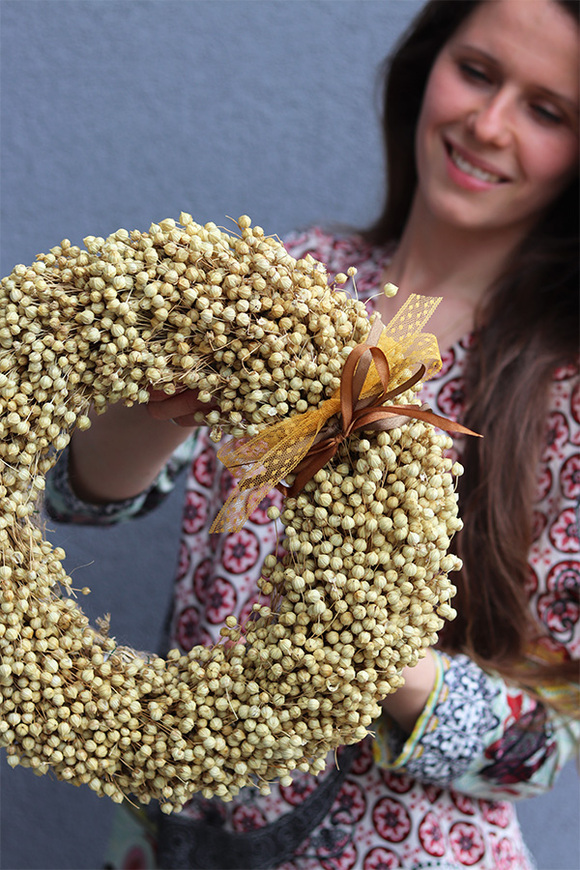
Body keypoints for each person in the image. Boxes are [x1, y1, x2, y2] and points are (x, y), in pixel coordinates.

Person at [45, 0, 579, 867]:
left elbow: (547, 744)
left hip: (395, 848)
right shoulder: (295, 276)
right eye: (477, 72)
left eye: (546, 110)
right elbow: (83, 498)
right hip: (176, 827)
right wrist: (144, 408)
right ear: (423, 69)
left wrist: (370, 642)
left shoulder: (561, 395)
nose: (488, 125)